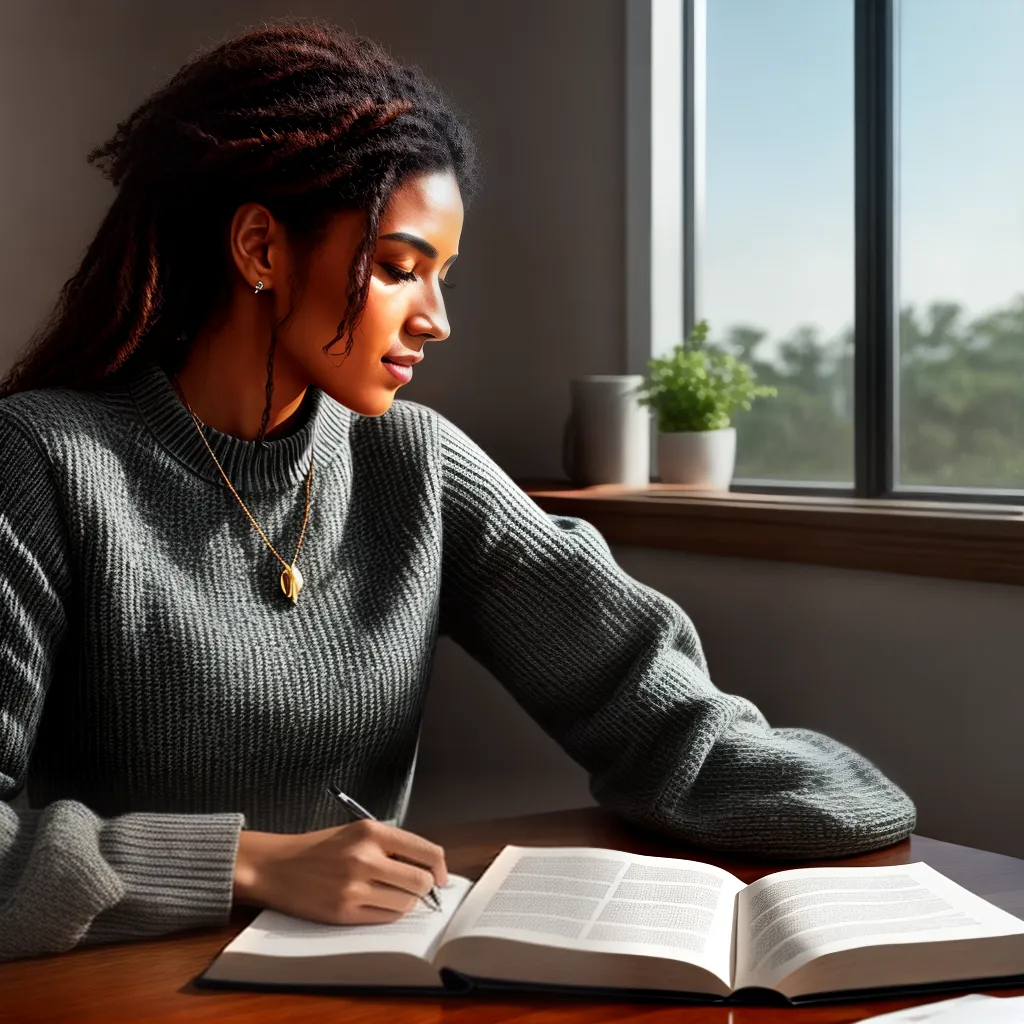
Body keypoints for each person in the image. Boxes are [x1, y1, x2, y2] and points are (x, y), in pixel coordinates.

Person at [0, 18, 916, 963]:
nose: (436, 319)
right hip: (110, 990)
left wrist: (866, 815)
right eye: (400, 268)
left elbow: (651, 707)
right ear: (261, 249)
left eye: (442, 275)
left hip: (366, 986)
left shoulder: (417, 463)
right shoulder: (43, 461)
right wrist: (250, 863)